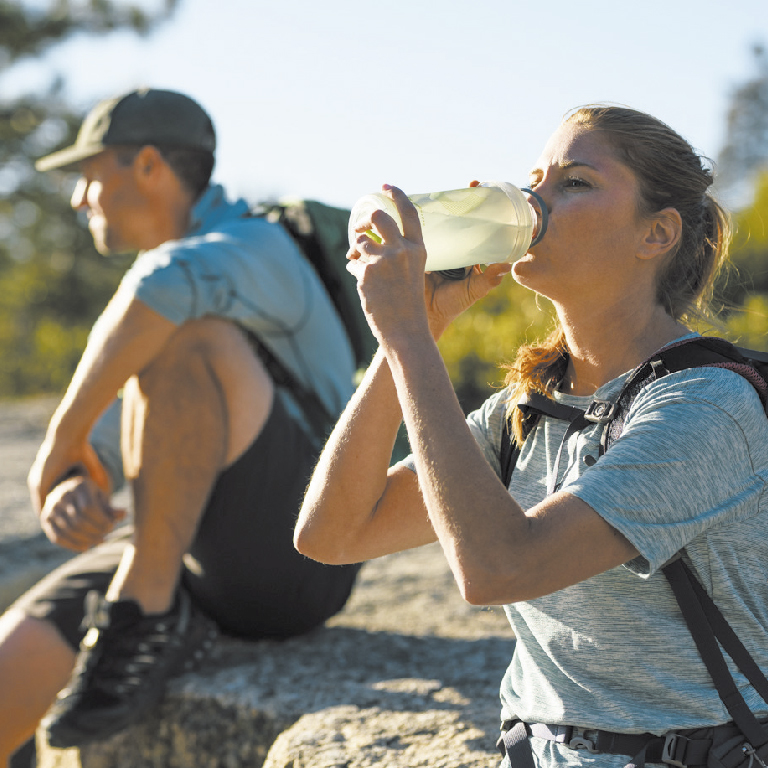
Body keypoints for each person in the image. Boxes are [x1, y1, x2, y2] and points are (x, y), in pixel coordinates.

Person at [294, 105, 768, 768]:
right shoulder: (532, 406)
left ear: (656, 233)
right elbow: (334, 533)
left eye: (573, 183)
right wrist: (411, 335)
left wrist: (407, 340)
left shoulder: (708, 407)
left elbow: (500, 567)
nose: (531, 201)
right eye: (534, 179)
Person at [0, 87, 361, 766]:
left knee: (196, 335)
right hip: (178, 553)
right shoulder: (149, 305)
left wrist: (58, 442)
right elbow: (110, 452)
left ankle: (146, 612)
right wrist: (75, 483)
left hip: (297, 555)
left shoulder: (257, 246)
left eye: (88, 175)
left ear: (146, 166)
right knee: (8, 663)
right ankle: (150, 609)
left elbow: (170, 286)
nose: (79, 200)